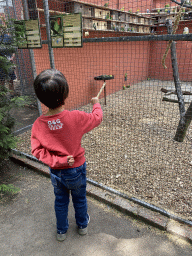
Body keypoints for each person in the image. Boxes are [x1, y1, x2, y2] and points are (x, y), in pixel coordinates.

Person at [31, 69, 103, 241]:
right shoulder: (75, 117)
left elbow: (37, 151)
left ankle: (61, 231)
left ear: (40, 98)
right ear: (65, 94)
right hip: (76, 169)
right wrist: (96, 103)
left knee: (61, 201)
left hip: (56, 172)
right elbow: (97, 118)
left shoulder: (38, 125)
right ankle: (82, 227)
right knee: (79, 199)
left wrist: (57, 160)